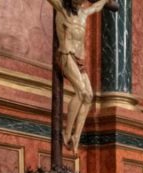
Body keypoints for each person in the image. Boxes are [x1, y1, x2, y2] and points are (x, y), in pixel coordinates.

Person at [46, 0, 118, 152]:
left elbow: (97, 6)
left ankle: (76, 136)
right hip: (66, 54)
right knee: (82, 92)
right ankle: (66, 133)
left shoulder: (84, 13)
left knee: (89, 96)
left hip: (79, 59)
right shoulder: (62, 10)